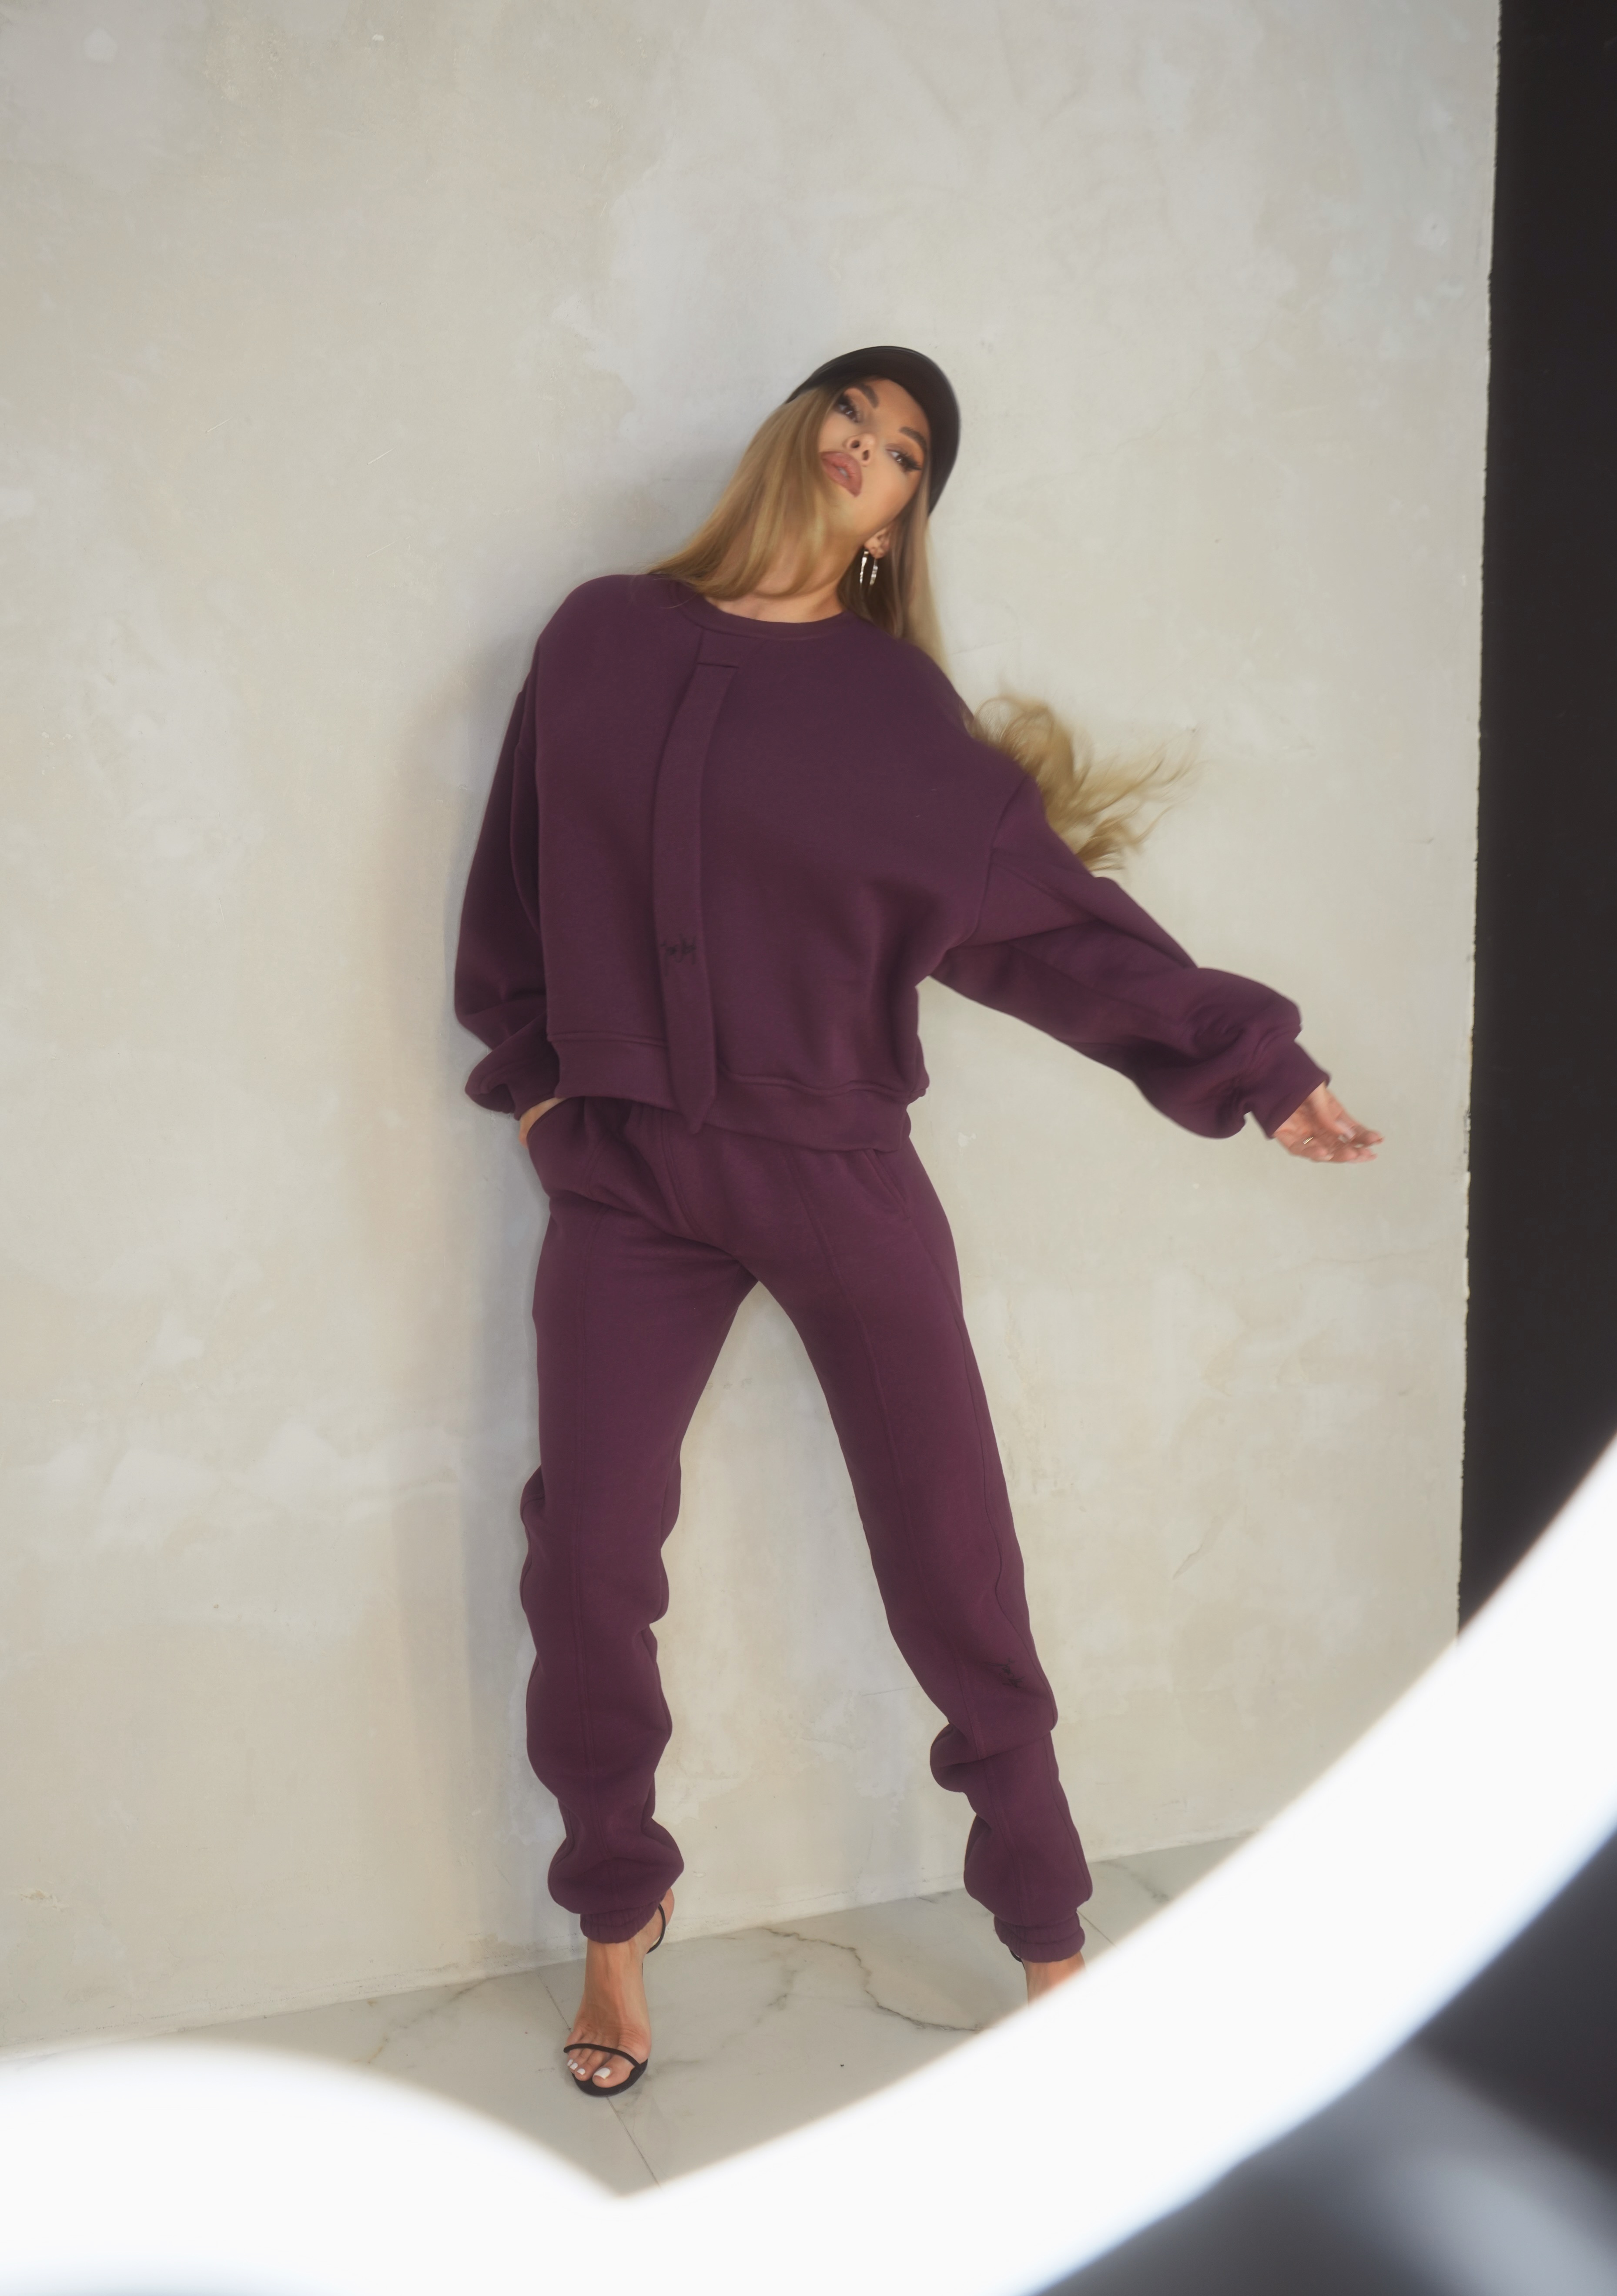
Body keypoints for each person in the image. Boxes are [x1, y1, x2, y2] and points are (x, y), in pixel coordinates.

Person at [455, 348, 1381, 2097]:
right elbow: (515, 878)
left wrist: (1256, 1064)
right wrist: (541, 1093)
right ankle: (615, 1921)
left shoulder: (895, 716)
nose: (868, 451)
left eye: (903, 454)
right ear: (796, 431)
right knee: (587, 1553)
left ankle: (1050, 1939)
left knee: (955, 1567)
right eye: (855, 416)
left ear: (899, 522)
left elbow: (1058, 930)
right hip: (626, 1174)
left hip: (835, 1173)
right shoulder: (602, 639)